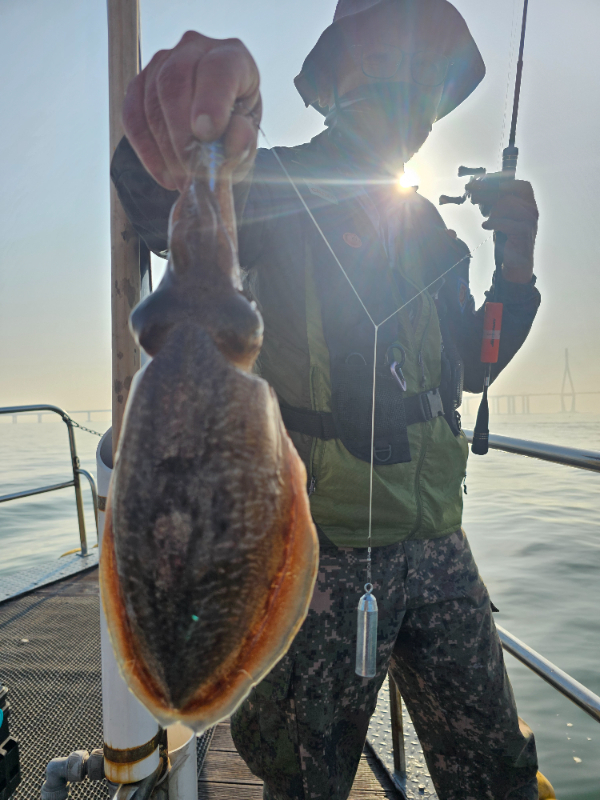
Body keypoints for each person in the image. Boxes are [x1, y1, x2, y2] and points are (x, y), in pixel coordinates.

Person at [111, 1, 544, 797]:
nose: (404, 90)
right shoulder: (280, 183)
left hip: (438, 542)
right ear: (334, 82)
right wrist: (189, 121)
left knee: (498, 771)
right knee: (306, 778)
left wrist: (516, 268)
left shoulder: (434, 237)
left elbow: (473, 367)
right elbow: (157, 198)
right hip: (326, 552)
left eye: (421, 74)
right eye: (381, 65)